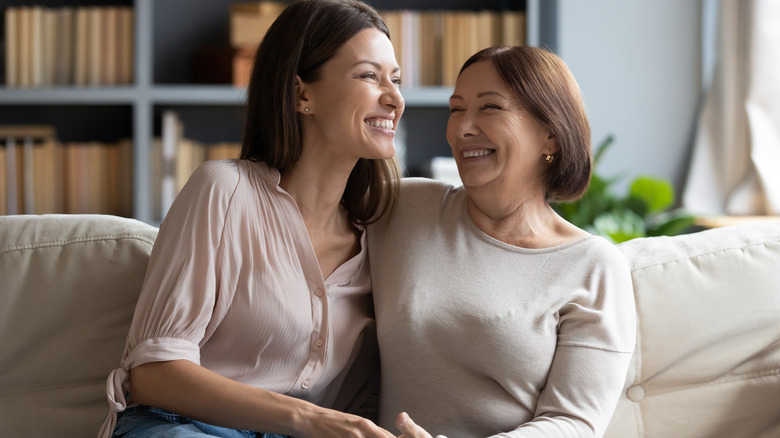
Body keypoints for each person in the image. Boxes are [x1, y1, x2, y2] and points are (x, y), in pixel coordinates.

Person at [99, 0, 404, 436]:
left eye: (396, 79)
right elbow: (154, 373)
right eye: (369, 76)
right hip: (185, 427)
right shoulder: (224, 190)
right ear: (302, 94)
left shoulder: (384, 233)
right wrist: (312, 419)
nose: (395, 98)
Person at [368, 45, 636, 438]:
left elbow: (573, 422)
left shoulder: (594, 266)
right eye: (456, 109)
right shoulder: (402, 206)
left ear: (551, 135)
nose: (462, 128)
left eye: (490, 107)